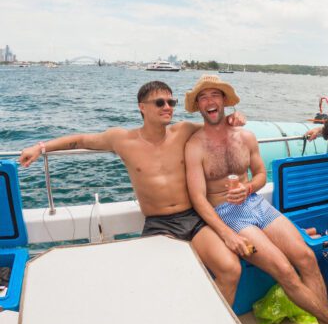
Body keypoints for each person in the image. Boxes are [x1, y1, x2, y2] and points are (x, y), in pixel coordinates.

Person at [18, 80, 244, 304]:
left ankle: (207, 321)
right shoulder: (122, 140)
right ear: (142, 107)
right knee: (151, 286)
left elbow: (214, 125)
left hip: (192, 217)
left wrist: (234, 118)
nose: (168, 107)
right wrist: (41, 147)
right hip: (159, 224)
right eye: (160, 102)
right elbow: (80, 140)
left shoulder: (183, 130)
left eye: (171, 101)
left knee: (231, 270)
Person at [183, 75, 328, 324]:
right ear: (198, 106)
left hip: (256, 203)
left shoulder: (245, 136)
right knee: (283, 270)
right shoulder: (195, 145)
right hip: (227, 213)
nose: (210, 101)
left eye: (215, 95)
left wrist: (248, 187)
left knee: (306, 257)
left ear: (224, 101)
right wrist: (227, 234)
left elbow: (260, 175)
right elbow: (198, 199)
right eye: (203, 97)